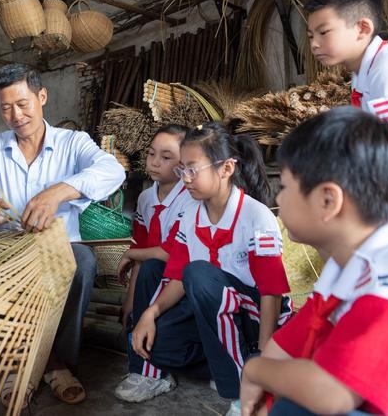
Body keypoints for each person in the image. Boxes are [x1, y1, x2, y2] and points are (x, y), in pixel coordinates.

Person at [0, 63, 125, 405]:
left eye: (23, 104)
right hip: (6, 251)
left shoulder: (72, 143)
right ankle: (52, 365)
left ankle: (44, 358)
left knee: (83, 261)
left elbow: (113, 171)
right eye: (5, 107)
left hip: (58, 251)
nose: (16, 115)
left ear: (41, 96)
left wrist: (61, 190)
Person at [239, 107, 388, 416]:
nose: (278, 199)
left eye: (286, 187)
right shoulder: (347, 264)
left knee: (297, 408)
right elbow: (288, 344)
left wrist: (255, 371)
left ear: (328, 201)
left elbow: (331, 394)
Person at [120, 123, 291, 412]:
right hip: (212, 314)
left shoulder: (256, 215)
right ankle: (203, 366)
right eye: (182, 169)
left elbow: (271, 293)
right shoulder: (191, 214)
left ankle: (242, 385)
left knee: (199, 274)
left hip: (254, 321)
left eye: (192, 169)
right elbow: (175, 276)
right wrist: (149, 314)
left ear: (226, 169)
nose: (185, 178)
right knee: (151, 339)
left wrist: (263, 357)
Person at [114, 124, 196, 386]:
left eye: (166, 157)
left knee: (151, 268)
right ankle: (142, 369)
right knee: (147, 272)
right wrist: (131, 300)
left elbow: (171, 251)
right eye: (151, 154)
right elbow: (142, 249)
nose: (155, 162)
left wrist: (133, 253)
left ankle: (153, 374)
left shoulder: (191, 197)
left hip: (185, 280)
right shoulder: (146, 199)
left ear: (185, 163)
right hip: (155, 274)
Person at [306, 0, 388, 132]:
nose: (314, 44)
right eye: (311, 36)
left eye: (323, 32)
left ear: (362, 29)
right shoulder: (363, 73)